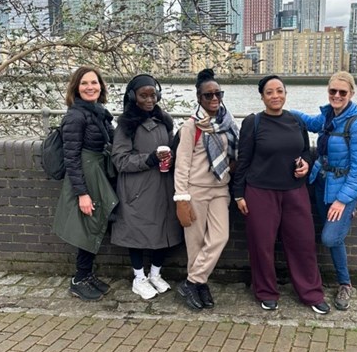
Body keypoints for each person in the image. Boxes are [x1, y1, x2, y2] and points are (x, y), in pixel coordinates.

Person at [232, 75, 331, 315]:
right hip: (260, 192)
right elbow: (243, 160)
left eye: (279, 91)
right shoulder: (253, 123)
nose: (275, 96)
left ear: (286, 94)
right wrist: (238, 194)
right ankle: (266, 292)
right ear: (262, 97)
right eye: (269, 92)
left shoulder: (296, 121)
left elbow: (305, 151)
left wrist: (306, 164)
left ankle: (311, 293)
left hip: (295, 191)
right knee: (262, 245)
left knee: (303, 243)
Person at [290, 71, 357, 310]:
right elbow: (309, 122)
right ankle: (344, 282)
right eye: (332, 91)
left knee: (330, 237)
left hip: (342, 190)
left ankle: (345, 283)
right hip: (322, 183)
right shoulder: (328, 116)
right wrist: (281, 110)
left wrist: (343, 201)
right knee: (332, 237)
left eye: (342, 92)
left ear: (351, 93)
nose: (336, 95)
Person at [111, 73, 184, 300]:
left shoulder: (165, 120)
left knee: (164, 227)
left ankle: (155, 273)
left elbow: (171, 147)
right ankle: (139, 278)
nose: (150, 100)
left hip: (163, 185)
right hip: (137, 188)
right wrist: (149, 159)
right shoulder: (126, 125)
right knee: (136, 232)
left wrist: (171, 158)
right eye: (144, 96)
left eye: (153, 95)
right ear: (133, 97)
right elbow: (119, 160)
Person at [172, 69, 239, 310]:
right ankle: (200, 284)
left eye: (218, 94)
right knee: (196, 243)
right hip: (195, 190)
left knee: (220, 237)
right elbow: (182, 165)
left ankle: (191, 282)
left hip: (220, 188)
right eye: (208, 95)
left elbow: (235, 154)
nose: (214, 98)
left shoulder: (228, 123)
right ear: (199, 97)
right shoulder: (190, 127)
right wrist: (181, 199)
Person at [52, 66, 118, 301]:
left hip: (97, 173)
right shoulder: (75, 116)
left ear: (101, 86)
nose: (90, 87)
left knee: (94, 224)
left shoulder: (98, 112)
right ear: (76, 88)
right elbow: (71, 158)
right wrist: (82, 194)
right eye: (84, 83)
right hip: (85, 178)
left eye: (94, 82)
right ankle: (79, 279)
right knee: (87, 227)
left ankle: (86, 275)